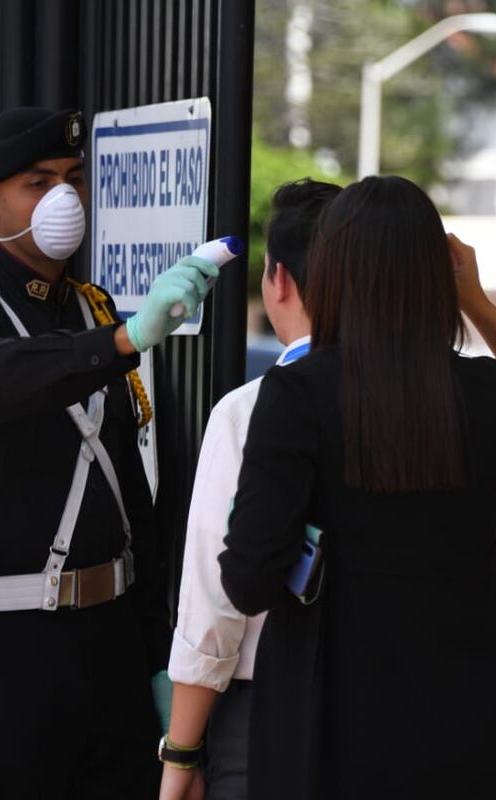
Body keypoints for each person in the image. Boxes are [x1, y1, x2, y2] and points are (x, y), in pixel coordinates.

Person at [218, 176, 496, 799]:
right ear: (437, 279)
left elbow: (248, 580)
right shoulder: (489, 397)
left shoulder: (297, 395)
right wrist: (475, 301)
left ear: (331, 274)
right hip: (467, 733)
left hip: (327, 734)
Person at [0, 106, 218, 799]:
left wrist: (156, 657)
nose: (63, 198)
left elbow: (130, 500)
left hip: (108, 646)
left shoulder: (90, 308)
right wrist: (122, 341)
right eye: (38, 182)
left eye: (74, 177)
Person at [158, 179, 340, 800]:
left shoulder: (248, 411)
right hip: (390, 706)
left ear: (278, 280)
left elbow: (214, 604)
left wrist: (181, 754)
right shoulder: (419, 405)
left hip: (264, 711)